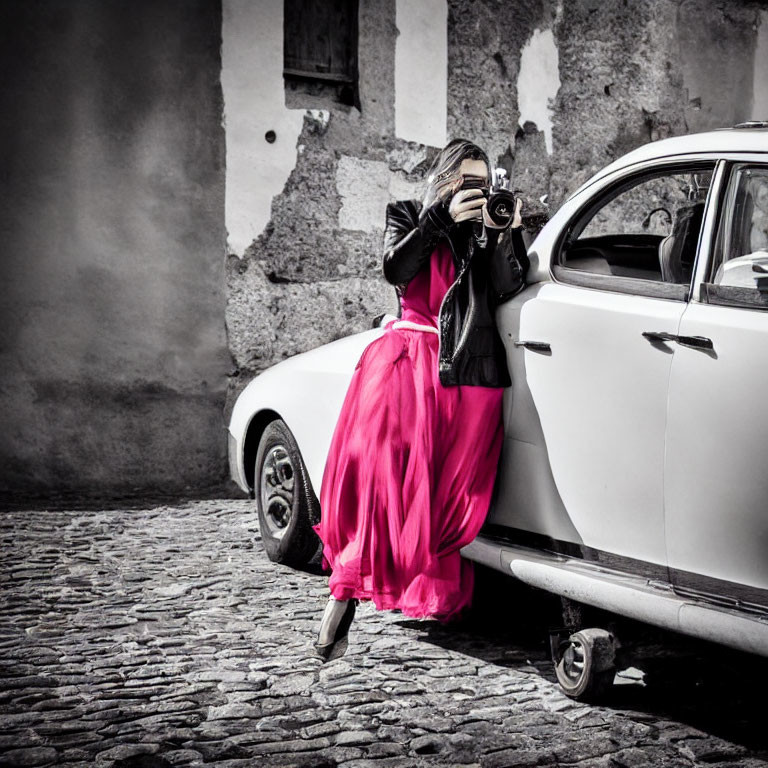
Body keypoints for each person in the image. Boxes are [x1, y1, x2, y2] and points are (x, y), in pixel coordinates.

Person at [313, 138, 528, 661]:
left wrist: (506, 232)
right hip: (406, 364)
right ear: (444, 178)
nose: (474, 192)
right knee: (381, 486)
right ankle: (343, 598)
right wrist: (439, 218)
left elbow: (505, 286)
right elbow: (395, 268)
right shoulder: (409, 213)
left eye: (483, 183)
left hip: (467, 373)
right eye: (465, 181)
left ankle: (413, 583)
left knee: (447, 497)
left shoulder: (489, 227)